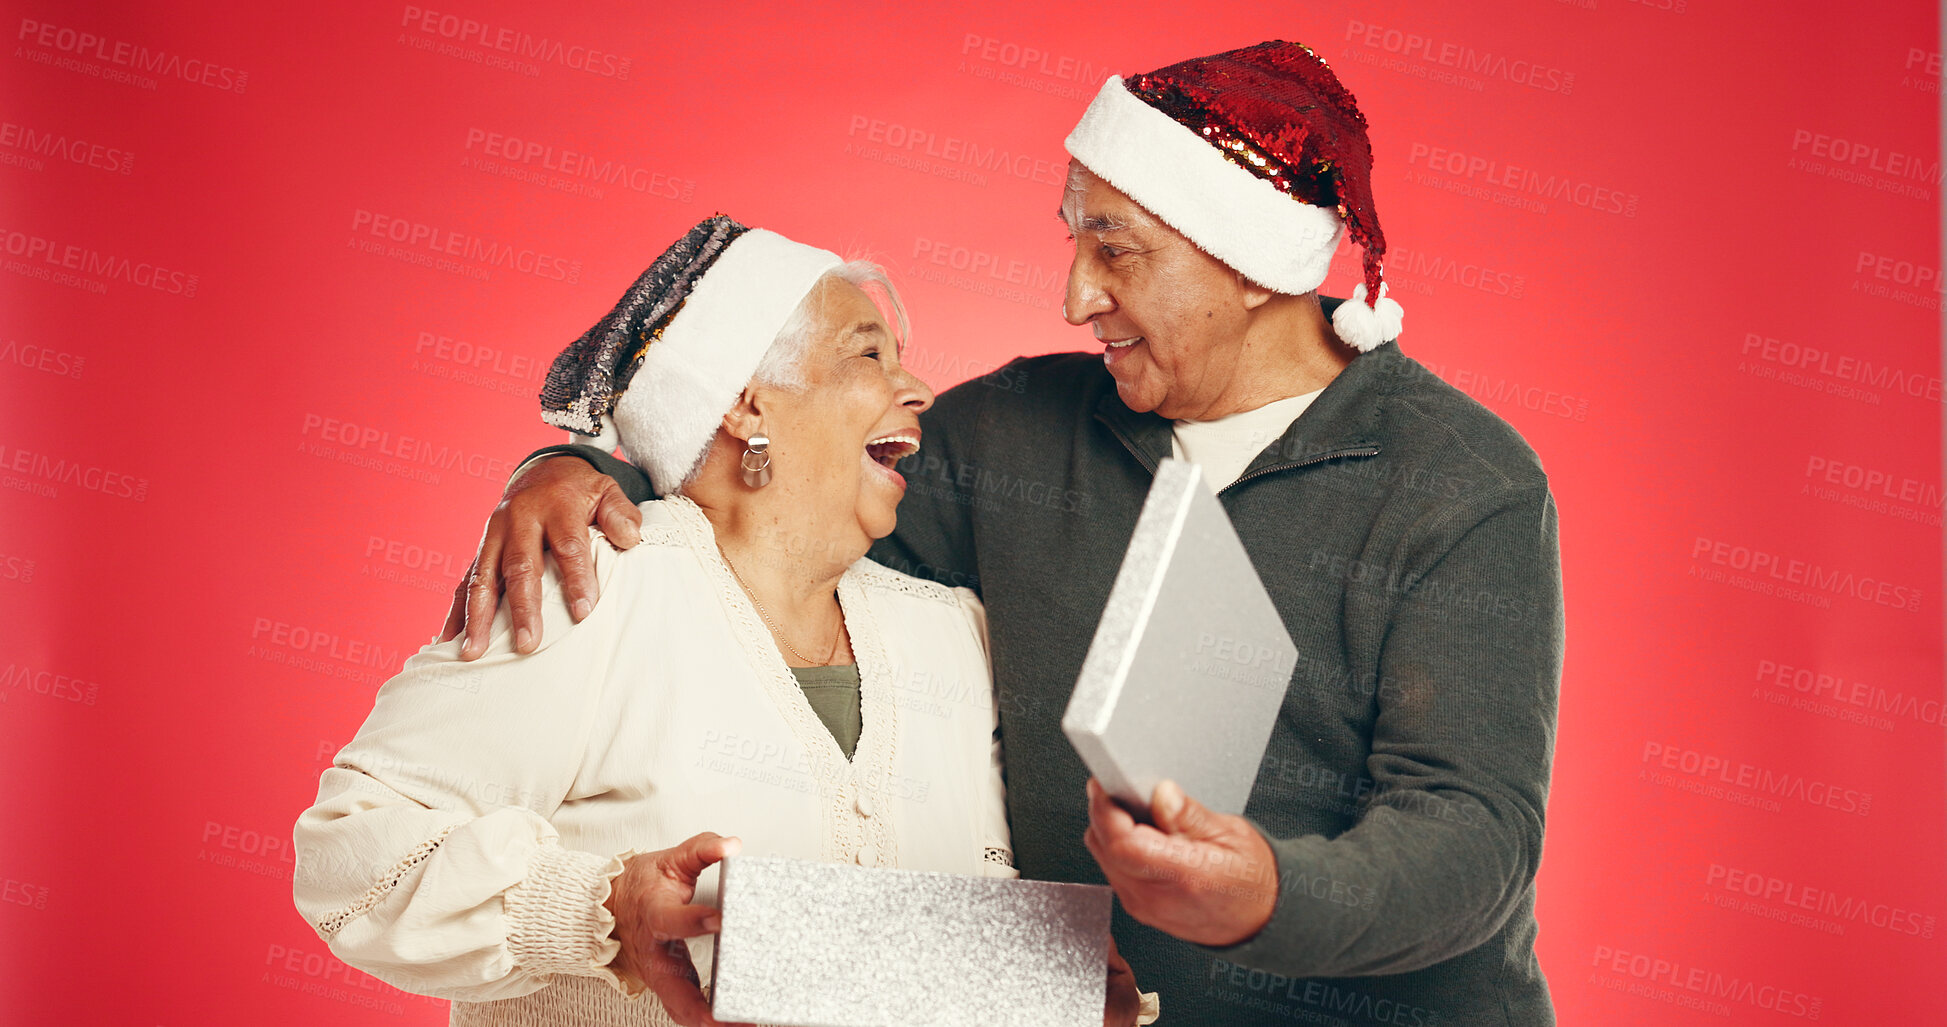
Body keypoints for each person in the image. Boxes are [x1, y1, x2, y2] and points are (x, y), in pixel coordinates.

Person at [451, 42, 1564, 1027]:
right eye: (1074, 240)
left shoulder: (1460, 483)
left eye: (1117, 250)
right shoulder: (1016, 432)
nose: (1076, 295)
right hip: (1074, 1007)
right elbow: (772, 494)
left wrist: (1266, 893)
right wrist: (572, 466)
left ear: (1253, 266)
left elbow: (1475, 829)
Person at [294, 216, 1148, 1027]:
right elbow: (357, 862)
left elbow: (893, 955)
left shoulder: (954, 637)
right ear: (747, 404)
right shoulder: (593, 588)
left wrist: (1049, 989)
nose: (918, 389)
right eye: (868, 354)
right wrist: (603, 908)